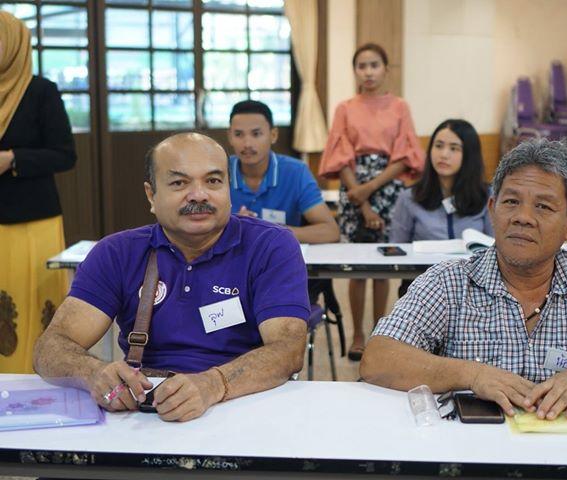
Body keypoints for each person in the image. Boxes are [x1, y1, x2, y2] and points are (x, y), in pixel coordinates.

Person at [361, 139, 567, 421]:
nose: (523, 217)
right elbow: (378, 358)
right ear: (492, 209)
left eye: (543, 206)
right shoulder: (448, 283)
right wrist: (471, 374)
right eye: (511, 201)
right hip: (473, 455)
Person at [33, 133, 309, 422]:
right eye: (179, 183)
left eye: (213, 181)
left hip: (245, 405)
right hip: (145, 413)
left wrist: (214, 384)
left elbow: (288, 350)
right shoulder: (117, 253)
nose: (199, 195)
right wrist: (93, 373)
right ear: (151, 195)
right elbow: (49, 348)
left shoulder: (270, 246)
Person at [319, 43, 424, 361]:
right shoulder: (345, 108)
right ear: (355, 71)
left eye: (374, 65)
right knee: (356, 266)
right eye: (362, 66)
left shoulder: (400, 107)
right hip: (353, 186)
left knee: (383, 265)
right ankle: (357, 335)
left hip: (389, 186)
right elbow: (340, 155)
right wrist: (361, 198)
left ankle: (380, 332)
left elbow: (404, 155)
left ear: (386, 69)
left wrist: (371, 188)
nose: (368, 72)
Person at [0, 11, 77, 373]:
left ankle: (39, 372)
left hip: (32, 218)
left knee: (34, 299)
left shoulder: (40, 91)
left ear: (14, 44)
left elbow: (65, 154)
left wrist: (13, 159)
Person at [390, 119, 493, 297]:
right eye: (438, 146)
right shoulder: (409, 198)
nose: (444, 154)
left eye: (454, 148)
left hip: (474, 289)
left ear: (469, 155)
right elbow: (396, 249)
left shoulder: (488, 197)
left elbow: (496, 247)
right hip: (423, 290)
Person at [227, 100, 339, 243]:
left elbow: (330, 231)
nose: (247, 144)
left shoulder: (296, 172)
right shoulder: (218, 171)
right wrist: (232, 227)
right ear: (230, 136)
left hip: (279, 253)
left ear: (273, 135)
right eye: (238, 134)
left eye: (256, 134)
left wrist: (272, 232)